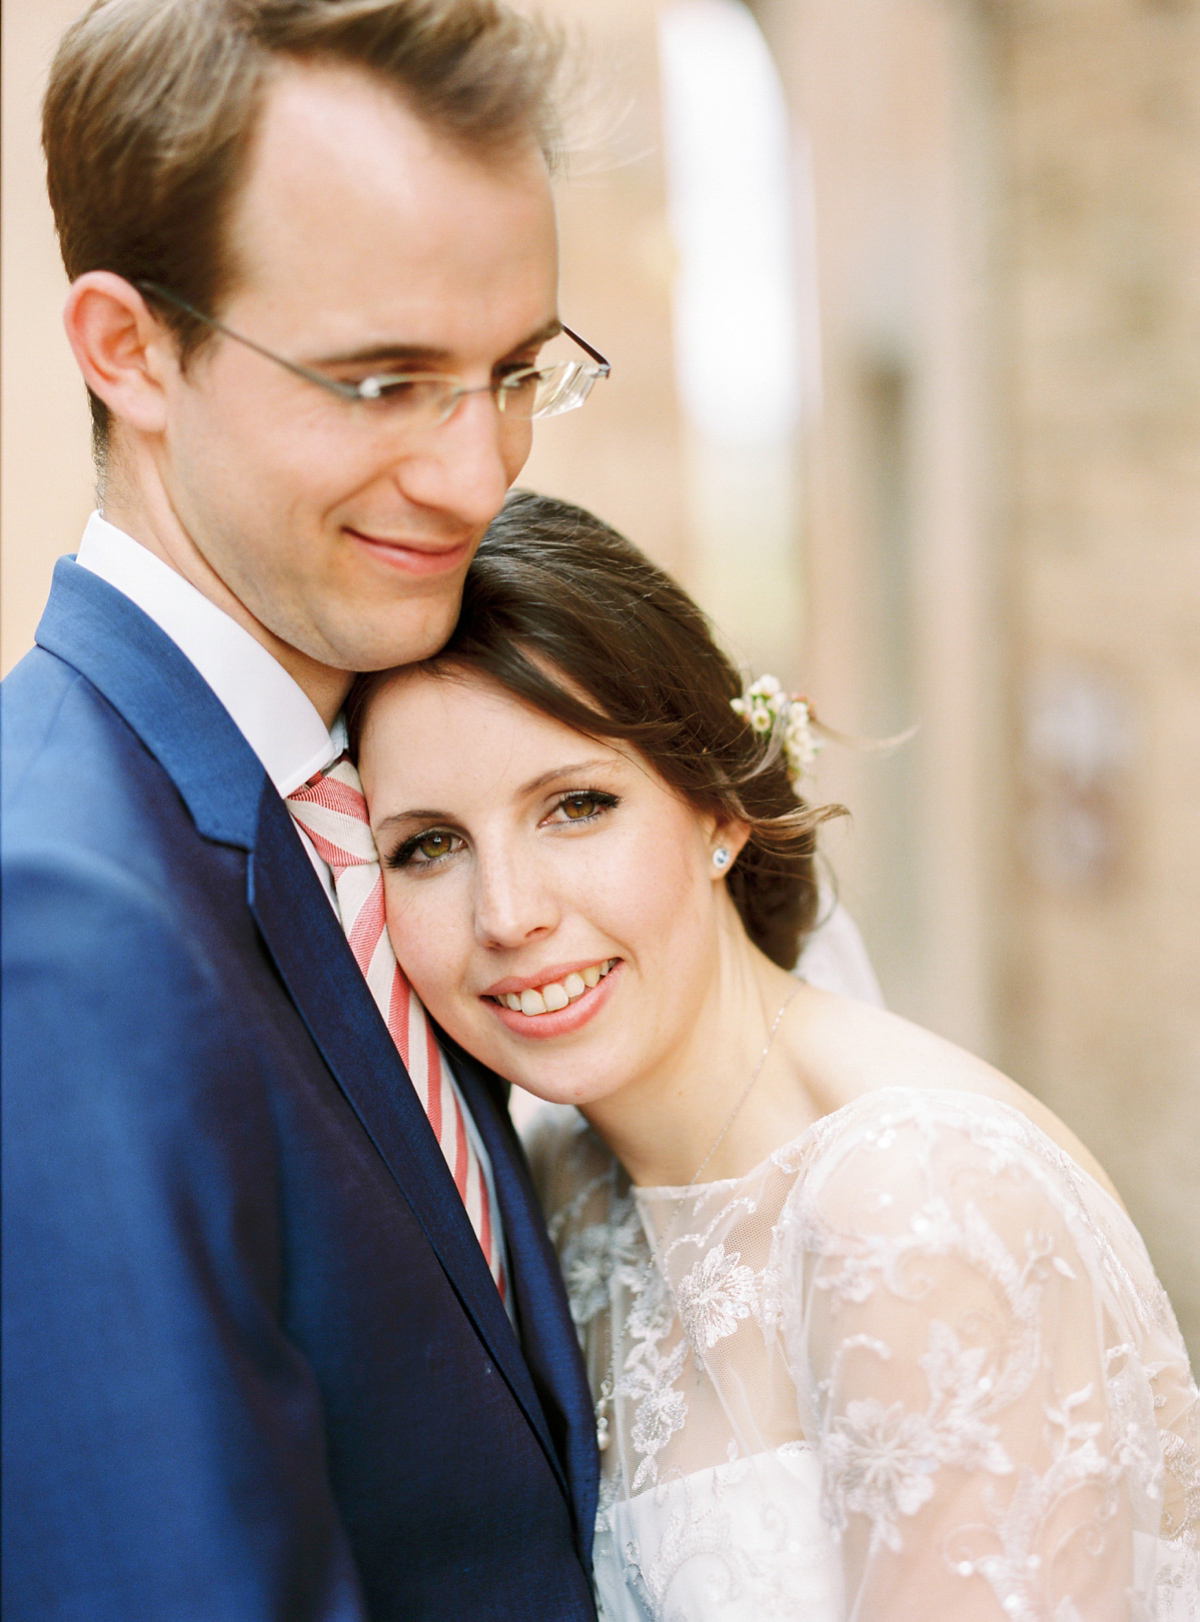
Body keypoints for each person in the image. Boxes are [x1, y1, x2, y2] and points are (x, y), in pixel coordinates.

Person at [2, 3, 611, 1616]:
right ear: (130, 349)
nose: (477, 474)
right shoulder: (59, 920)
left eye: (515, 372)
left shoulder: (371, 792)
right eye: (383, 380)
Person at [352, 491, 1200, 1620]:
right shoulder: (551, 1176)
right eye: (430, 844)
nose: (507, 914)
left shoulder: (914, 1201)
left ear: (718, 809)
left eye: (577, 805)